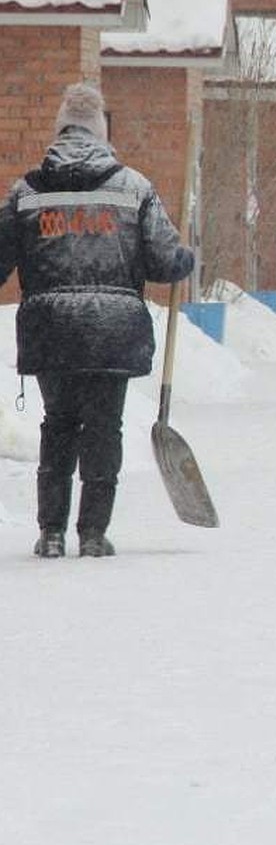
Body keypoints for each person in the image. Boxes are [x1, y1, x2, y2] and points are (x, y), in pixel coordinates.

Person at [0, 82, 195, 558]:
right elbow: (165, 264)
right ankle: (92, 533)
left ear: (60, 130)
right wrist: (186, 256)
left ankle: (50, 532)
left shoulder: (26, 192)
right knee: (104, 427)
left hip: (52, 329)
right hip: (112, 330)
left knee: (58, 423)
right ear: (101, 131)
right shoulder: (134, 188)